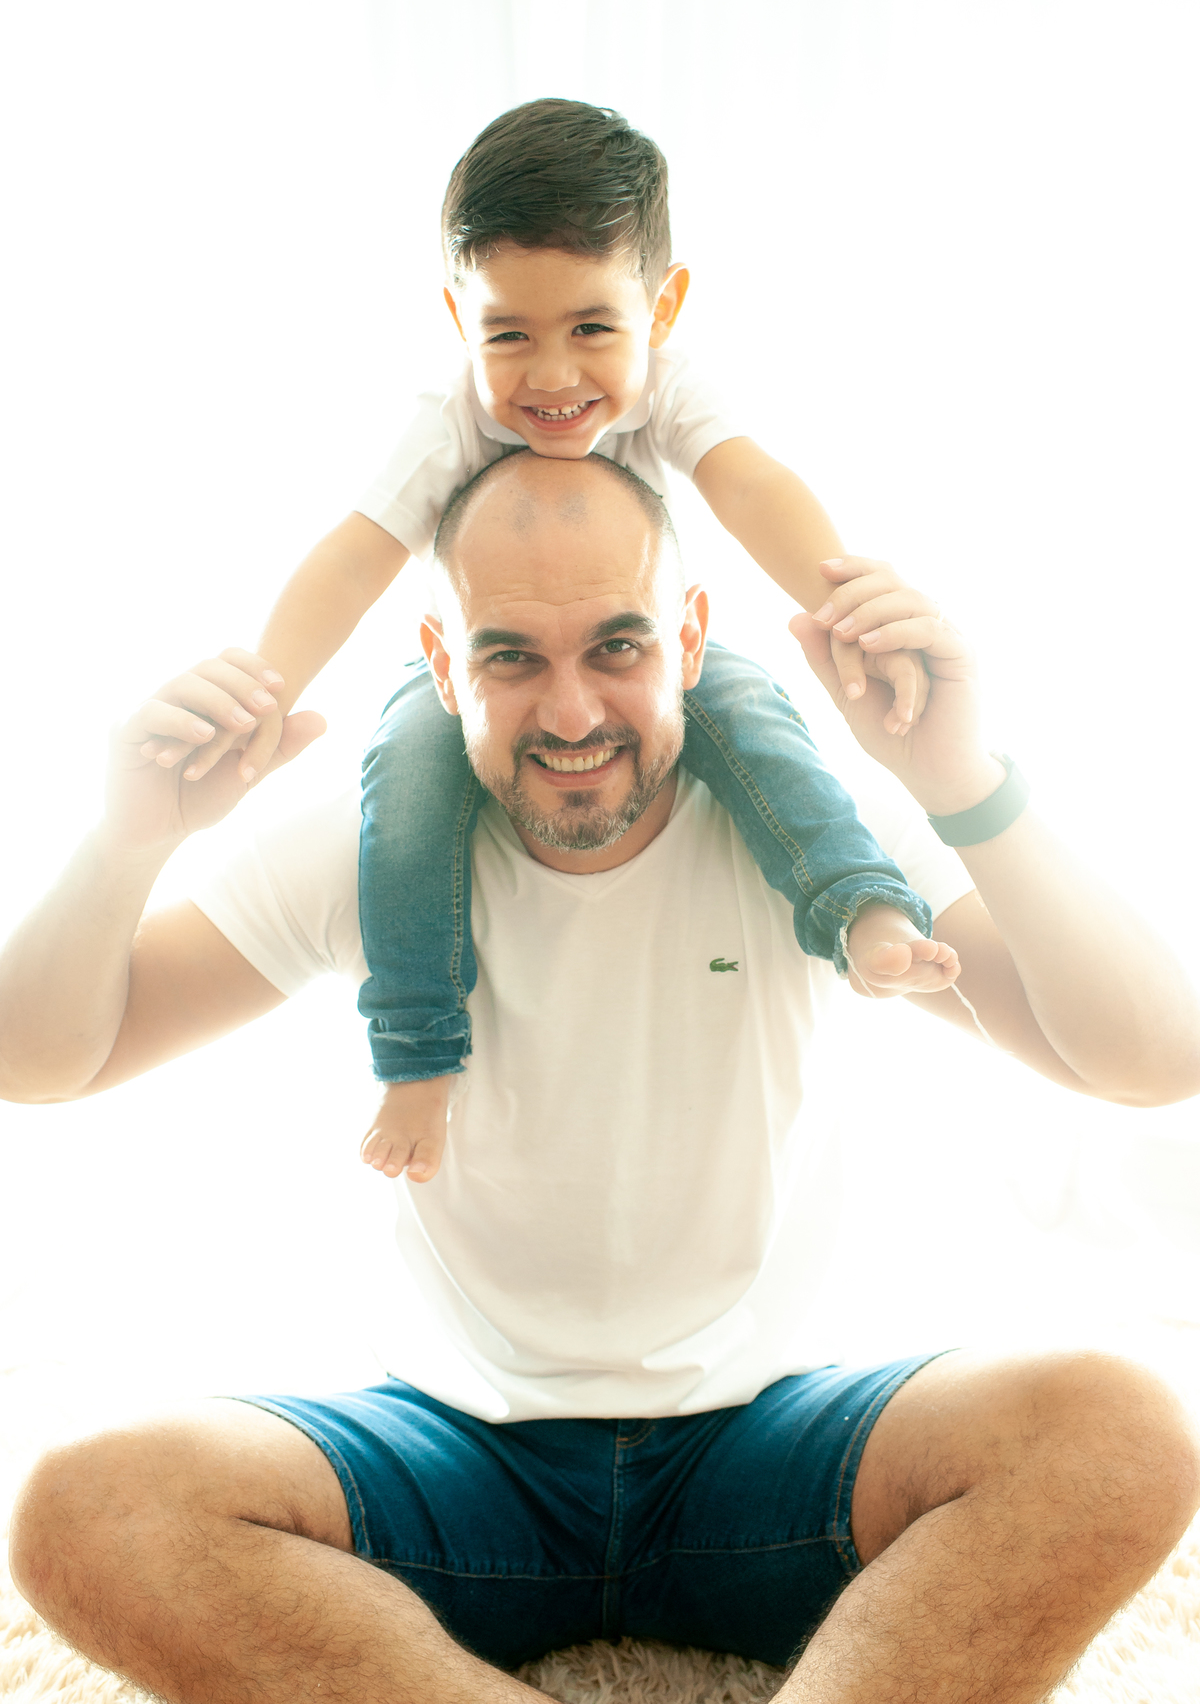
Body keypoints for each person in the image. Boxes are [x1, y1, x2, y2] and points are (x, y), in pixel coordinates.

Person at [3, 451, 1200, 1704]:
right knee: (91, 1509)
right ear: (438, 653)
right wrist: (123, 840)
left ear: (688, 637)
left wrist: (960, 780)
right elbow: (39, 1061)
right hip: (462, 1457)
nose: (571, 714)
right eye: (512, 656)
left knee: (1121, 1432)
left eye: (617, 647)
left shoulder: (813, 832)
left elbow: (1153, 1061)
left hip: (771, 1450)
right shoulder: (370, 844)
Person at [166, 98, 939, 1181]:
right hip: (482, 679)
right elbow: (354, 555)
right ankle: (419, 1050)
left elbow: (753, 485)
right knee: (404, 795)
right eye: (508, 335)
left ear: (661, 307)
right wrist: (262, 688)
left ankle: (857, 906)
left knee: (766, 728)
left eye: (591, 328)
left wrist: (853, 606)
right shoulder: (447, 421)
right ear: (457, 317)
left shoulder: (670, 385)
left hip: (646, 660)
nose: (554, 377)